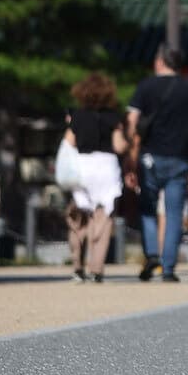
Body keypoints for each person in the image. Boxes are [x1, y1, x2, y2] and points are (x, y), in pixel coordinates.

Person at [125, 44, 188, 283]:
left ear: (160, 61)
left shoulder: (146, 86)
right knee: (175, 212)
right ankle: (169, 267)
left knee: (148, 209)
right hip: (179, 156)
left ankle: (152, 257)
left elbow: (132, 120)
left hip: (150, 157)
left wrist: (130, 153)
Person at [64, 74, 127, 283]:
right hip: (106, 168)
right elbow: (119, 146)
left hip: (83, 168)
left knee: (79, 217)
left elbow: (68, 144)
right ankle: (96, 268)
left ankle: (77, 266)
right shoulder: (114, 117)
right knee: (102, 218)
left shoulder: (78, 116)